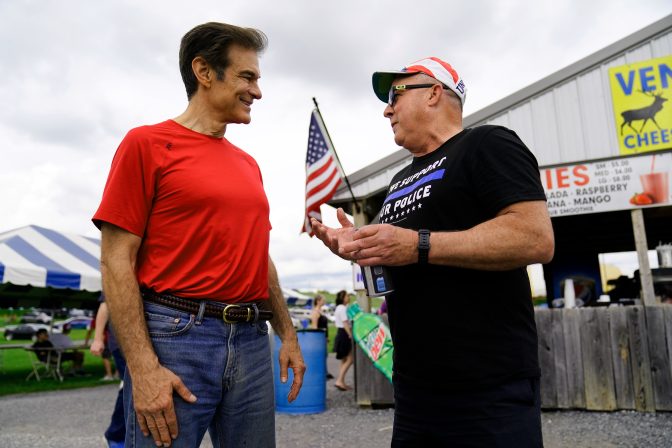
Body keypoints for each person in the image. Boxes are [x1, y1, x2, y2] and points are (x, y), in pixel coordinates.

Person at [312, 57, 554, 446]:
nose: (386, 109)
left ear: (435, 93)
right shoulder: (400, 179)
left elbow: (534, 237)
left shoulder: (486, 143)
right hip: (414, 391)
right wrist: (361, 247)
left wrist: (417, 244)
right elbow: (401, 260)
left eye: (395, 94)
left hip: (487, 389)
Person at [92, 22, 305, 448]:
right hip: (176, 337)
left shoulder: (248, 165)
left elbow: (257, 257)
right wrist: (142, 367)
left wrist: (288, 334)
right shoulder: (146, 144)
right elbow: (116, 259)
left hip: (249, 339)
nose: (257, 91)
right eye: (247, 77)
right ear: (204, 71)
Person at [90, 295, 127, 448]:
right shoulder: (118, 271)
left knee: (134, 389)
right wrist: (98, 339)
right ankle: (115, 435)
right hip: (122, 342)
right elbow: (106, 304)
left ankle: (123, 434)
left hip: (145, 341)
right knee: (131, 388)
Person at [332, 290, 354, 391]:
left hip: (340, 333)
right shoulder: (343, 308)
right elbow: (345, 323)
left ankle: (341, 382)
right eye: (347, 296)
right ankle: (339, 381)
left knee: (344, 359)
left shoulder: (339, 308)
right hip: (344, 334)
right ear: (342, 298)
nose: (348, 298)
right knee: (350, 359)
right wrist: (350, 335)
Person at [310, 294, 334, 380]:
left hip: (323, 337)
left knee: (324, 355)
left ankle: (325, 372)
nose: (324, 301)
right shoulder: (315, 312)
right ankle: (320, 373)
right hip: (319, 337)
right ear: (318, 301)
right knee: (320, 355)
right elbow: (314, 326)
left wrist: (326, 337)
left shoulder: (320, 311)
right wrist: (317, 339)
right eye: (323, 300)